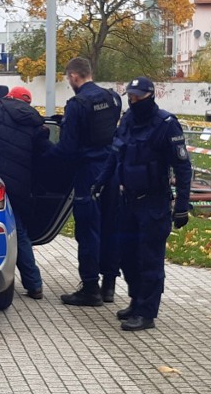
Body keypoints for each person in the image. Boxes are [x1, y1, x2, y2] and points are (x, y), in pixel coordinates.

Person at [92, 76, 192, 331]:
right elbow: (115, 156)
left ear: (150, 97)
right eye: (131, 97)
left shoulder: (166, 125)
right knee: (127, 255)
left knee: (149, 259)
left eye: (138, 97)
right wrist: (100, 182)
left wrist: (182, 205)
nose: (133, 101)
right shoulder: (127, 120)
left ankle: (147, 313)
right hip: (128, 201)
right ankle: (136, 301)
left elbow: (183, 167)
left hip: (154, 202)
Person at [46, 57, 122, 307]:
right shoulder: (113, 98)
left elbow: (67, 149)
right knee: (111, 227)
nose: (70, 83)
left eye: (69, 79)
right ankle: (108, 285)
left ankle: (90, 288)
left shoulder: (76, 104)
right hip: (112, 171)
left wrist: (45, 152)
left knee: (87, 231)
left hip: (88, 174)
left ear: (74, 77)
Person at [0, 86, 50, 299]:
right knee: (18, 233)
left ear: (9, 96)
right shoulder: (35, 123)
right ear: (27, 103)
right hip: (20, 188)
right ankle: (35, 284)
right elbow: (46, 156)